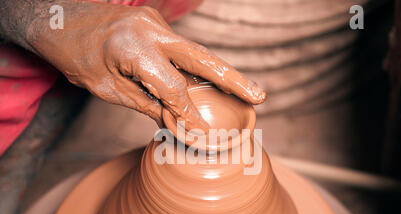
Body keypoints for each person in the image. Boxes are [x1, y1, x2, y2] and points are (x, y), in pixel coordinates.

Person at [0, 0, 266, 156]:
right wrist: (39, 18)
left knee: (47, 123)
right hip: (28, 25)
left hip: (120, 23)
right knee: (12, 163)